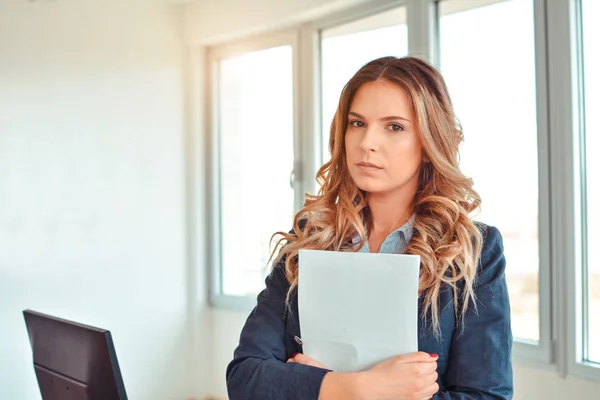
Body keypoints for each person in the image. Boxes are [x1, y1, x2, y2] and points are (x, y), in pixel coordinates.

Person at [226, 56, 513, 400]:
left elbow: (487, 396)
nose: (366, 142)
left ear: (428, 142)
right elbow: (245, 378)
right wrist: (359, 388)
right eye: (357, 123)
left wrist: (318, 388)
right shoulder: (309, 237)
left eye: (394, 127)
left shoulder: (473, 250)